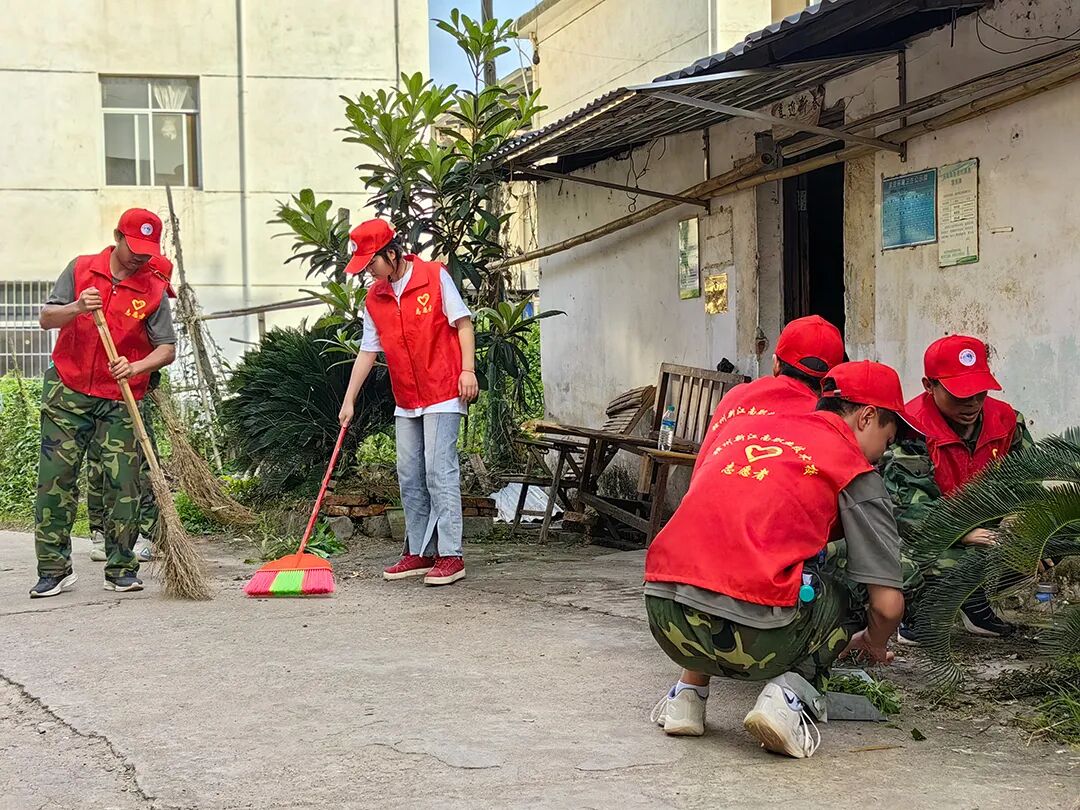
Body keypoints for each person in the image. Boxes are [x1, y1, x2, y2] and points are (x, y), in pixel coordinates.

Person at [645, 361, 913, 758]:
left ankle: (686, 697)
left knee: (721, 554)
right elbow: (888, 606)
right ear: (867, 417)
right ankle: (786, 700)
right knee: (847, 587)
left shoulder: (748, 428)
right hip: (756, 637)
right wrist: (872, 641)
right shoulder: (853, 468)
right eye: (886, 441)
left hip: (663, 613)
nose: (880, 455)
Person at [31, 210, 177, 598]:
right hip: (69, 389)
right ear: (117, 236)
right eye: (134, 247)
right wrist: (78, 307)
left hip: (120, 397)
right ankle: (53, 569)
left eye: (147, 251)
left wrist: (136, 366)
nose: (140, 256)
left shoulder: (153, 288)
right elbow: (47, 318)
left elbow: (166, 348)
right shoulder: (81, 269)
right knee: (55, 479)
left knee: (123, 484)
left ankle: (121, 568)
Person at [338, 219, 478, 587]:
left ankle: (451, 555)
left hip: (444, 389)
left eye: (372, 262)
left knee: (439, 470)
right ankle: (420, 550)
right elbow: (368, 351)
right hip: (407, 397)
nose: (369, 271)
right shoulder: (375, 298)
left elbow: (463, 323)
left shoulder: (434, 276)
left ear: (391, 253)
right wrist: (349, 400)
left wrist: (468, 370)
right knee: (409, 473)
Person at [883, 335, 1033, 641]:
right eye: (960, 395)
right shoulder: (912, 429)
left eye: (980, 392)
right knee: (945, 562)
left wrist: (1024, 519)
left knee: (1056, 539)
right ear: (929, 386)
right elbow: (908, 510)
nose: (973, 403)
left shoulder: (1006, 420)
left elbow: (1031, 477)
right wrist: (962, 532)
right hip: (927, 536)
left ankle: (974, 605)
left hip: (991, 530)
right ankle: (919, 613)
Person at [695, 315, 845, 472]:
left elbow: (702, 466)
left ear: (776, 364)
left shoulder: (736, 396)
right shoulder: (829, 419)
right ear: (831, 381)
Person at [87, 370, 162, 564]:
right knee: (139, 459)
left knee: (101, 458)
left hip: (96, 389)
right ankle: (144, 535)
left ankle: (102, 535)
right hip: (124, 388)